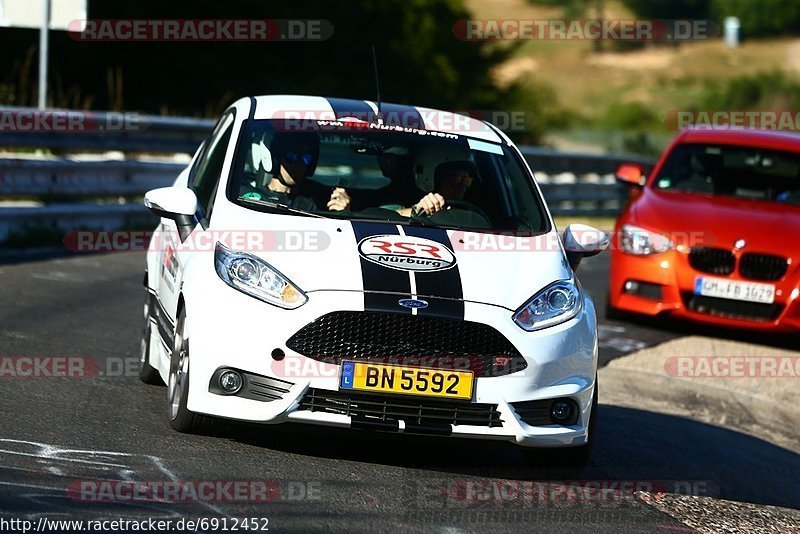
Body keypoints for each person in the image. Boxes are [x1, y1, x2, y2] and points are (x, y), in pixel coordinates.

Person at [247, 131, 351, 211]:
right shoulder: (251, 199)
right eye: (291, 157)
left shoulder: (321, 202)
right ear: (275, 160)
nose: (298, 164)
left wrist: (343, 213)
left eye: (305, 158)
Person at [396, 160, 474, 217]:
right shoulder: (400, 205)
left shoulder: (470, 217)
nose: (462, 187)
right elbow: (386, 215)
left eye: (467, 181)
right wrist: (416, 211)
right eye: (456, 179)